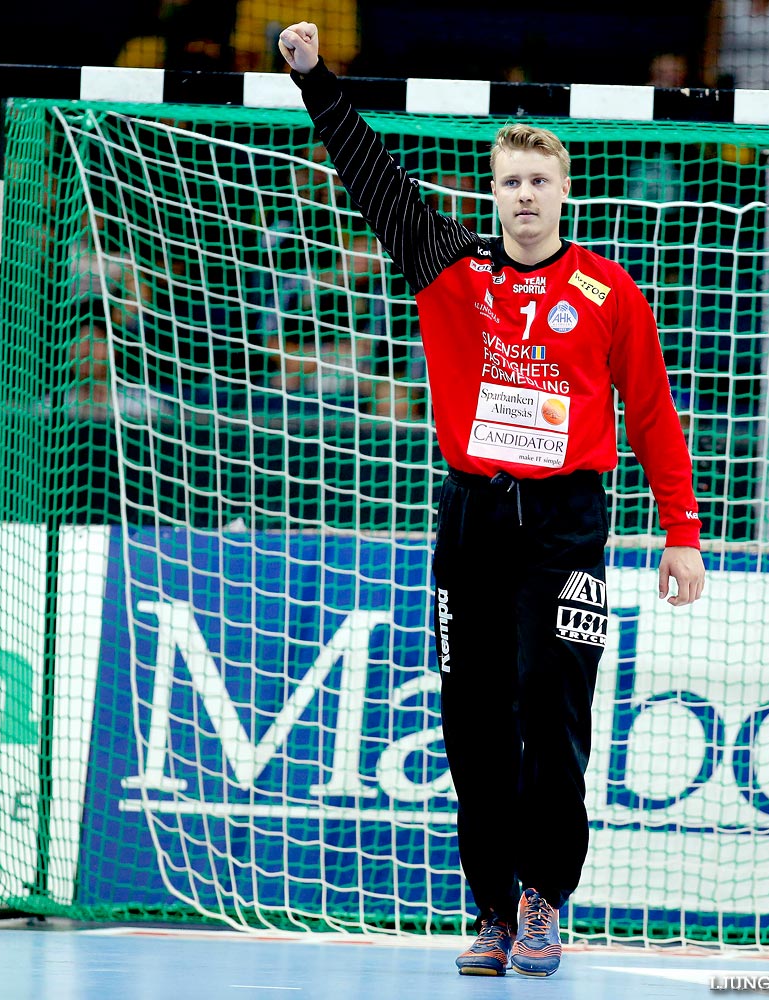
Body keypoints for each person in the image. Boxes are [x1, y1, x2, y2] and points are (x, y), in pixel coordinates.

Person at [279, 21, 705, 978]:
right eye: (509, 180)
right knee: (470, 715)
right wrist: (314, 77)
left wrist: (682, 532)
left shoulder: (608, 292)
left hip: (567, 524)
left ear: (563, 193)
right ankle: (490, 911)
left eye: (539, 181)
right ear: (493, 191)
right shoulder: (448, 268)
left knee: (551, 712)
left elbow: (650, 411)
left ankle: (545, 897)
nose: (523, 195)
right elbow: (369, 172)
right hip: (471, 518)